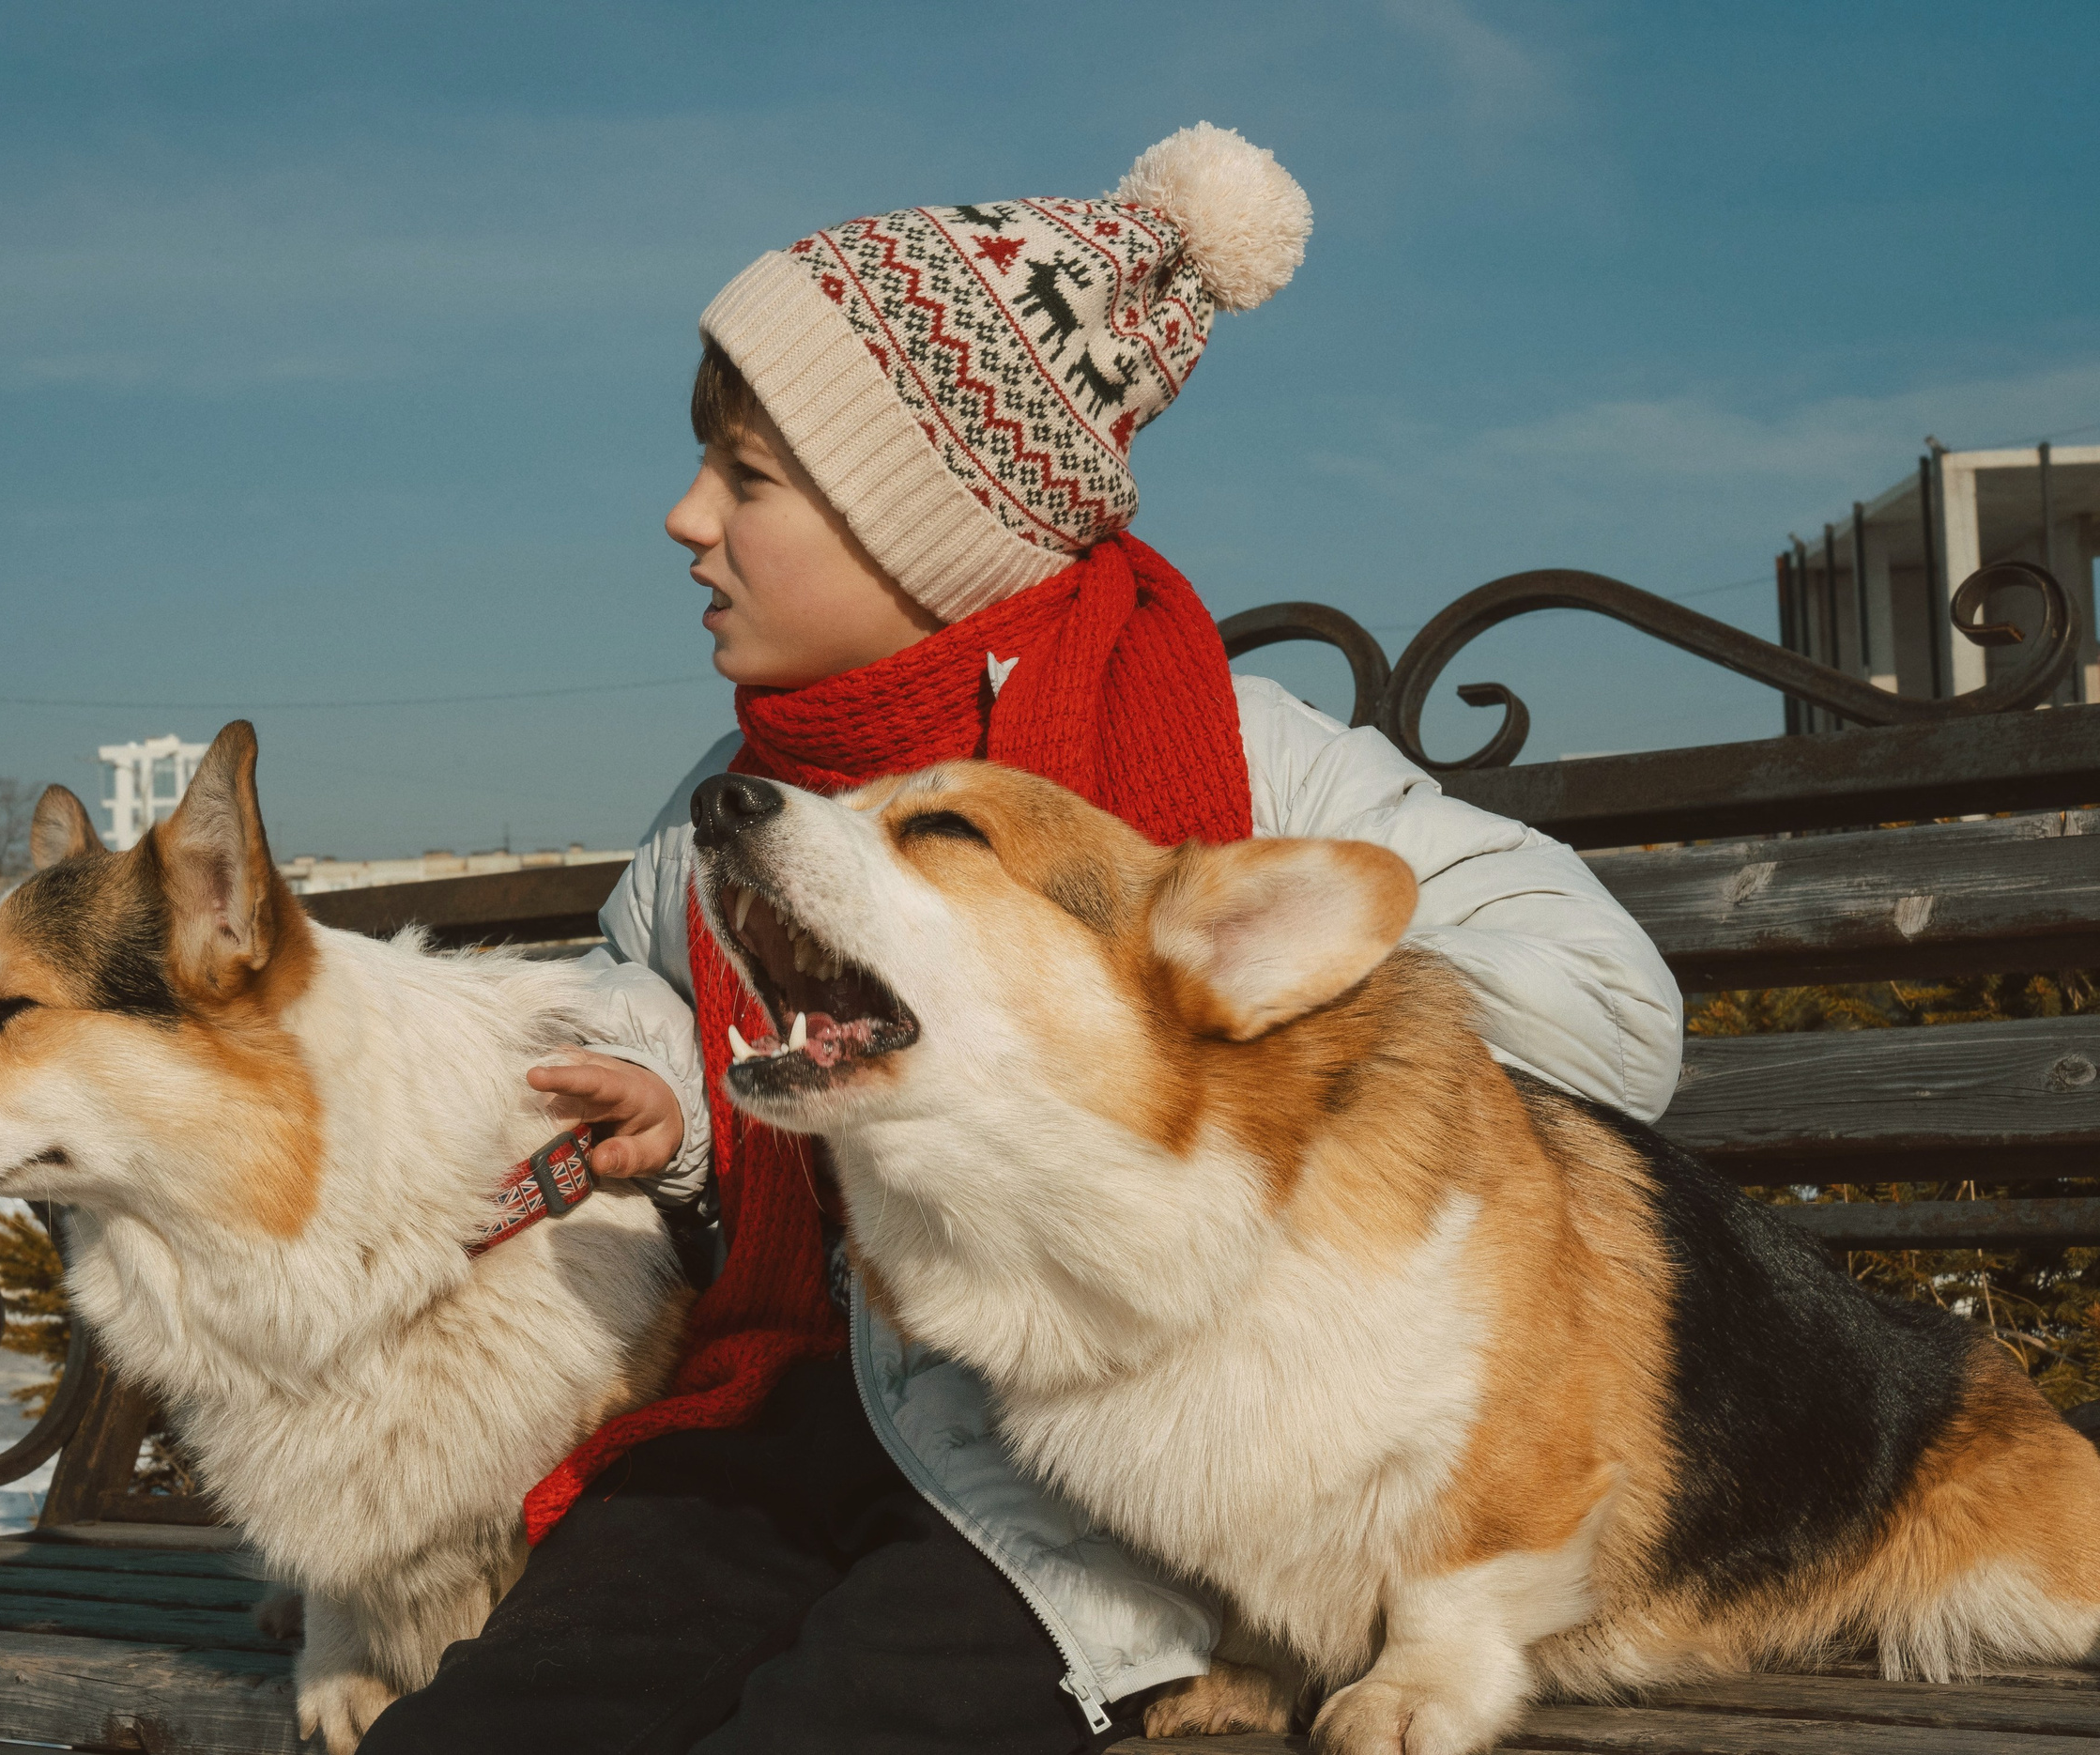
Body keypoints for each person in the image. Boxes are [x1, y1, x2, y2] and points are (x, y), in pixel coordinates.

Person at [358, 124, 1683, 1755]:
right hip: (781, 1391)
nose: (685, 517)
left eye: (749, 477)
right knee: (510, 1714)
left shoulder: (1234, 759)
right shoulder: (735, 795)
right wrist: (686, 1113)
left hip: (1086, 1462)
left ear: (922, 516)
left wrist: (1225, 1020)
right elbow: (662, 1004)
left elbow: (1612, 999)